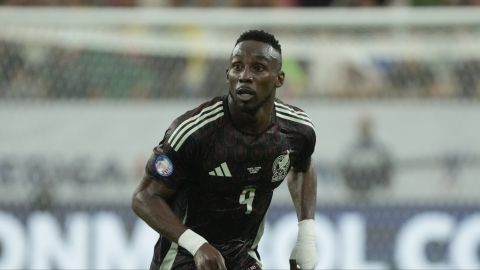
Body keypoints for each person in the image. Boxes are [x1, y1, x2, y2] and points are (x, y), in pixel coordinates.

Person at [132, 29, 318, 270]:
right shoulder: (194, 132)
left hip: (242, 254)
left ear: (279, 79)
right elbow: (144, 197)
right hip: (185, 256)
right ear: (227, 74)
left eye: (258, 68)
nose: (245, 76)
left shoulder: (297, 131)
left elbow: (303, 166)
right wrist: (198, 245)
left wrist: (306, 235)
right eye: (237, 67)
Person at [340, 113, 393, 203]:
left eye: (367, 125)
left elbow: (388, 169)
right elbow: (344, 169)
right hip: (355, 193)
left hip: (377, 193)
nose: (365, 128)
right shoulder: (351, 150)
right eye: (363, 125)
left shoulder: (380, 149)